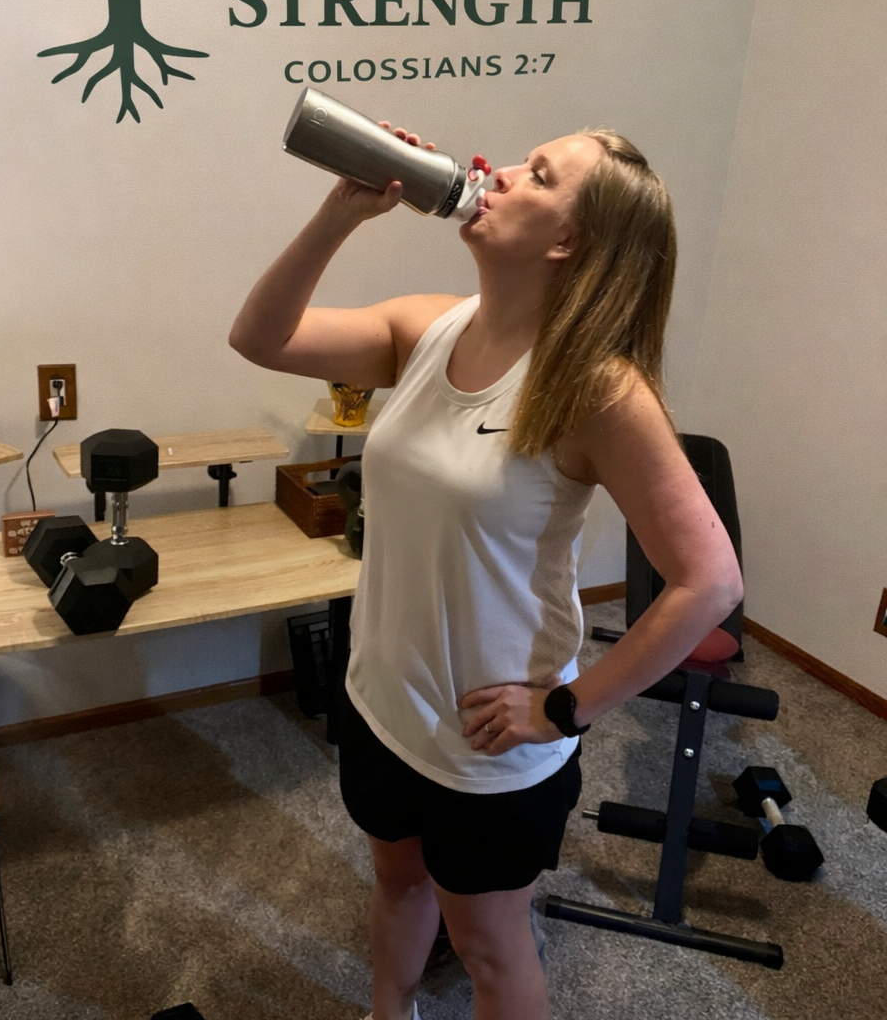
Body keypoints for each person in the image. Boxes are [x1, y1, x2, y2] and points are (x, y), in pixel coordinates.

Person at [228, 121, 743, 1020]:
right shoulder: (426, 326)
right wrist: (340, 213)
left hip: (489, 740)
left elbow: (710, 582)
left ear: (567, 240)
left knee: (489, 948)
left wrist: (566, 708)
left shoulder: (597, 389)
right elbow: (259, 337)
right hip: (382, 697)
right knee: (398, 885)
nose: (494, 173)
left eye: (535, 174)